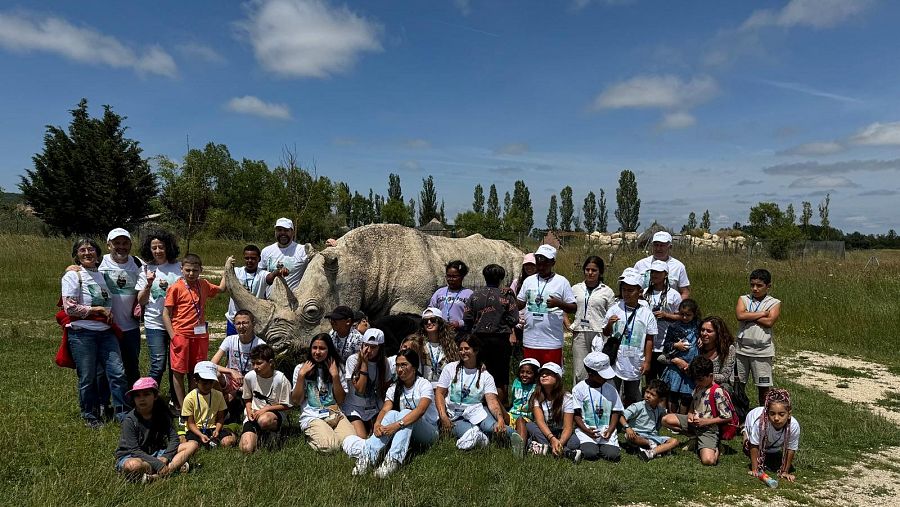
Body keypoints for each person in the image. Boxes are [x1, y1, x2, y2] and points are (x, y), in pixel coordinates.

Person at [61, 237, 129, 427]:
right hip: (83, 334)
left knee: (117, 373)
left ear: (98, 255)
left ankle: (122, 414)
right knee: (87, 377)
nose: (87, 253)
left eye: (91, 250)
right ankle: (90, 416)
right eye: (82, 250)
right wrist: (96, 310)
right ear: (76, 255)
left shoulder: (102, 276)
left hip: (106, 333)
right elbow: (70, 307)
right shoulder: (73, 276)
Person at [348, 350, 440, 478]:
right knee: (391, 413)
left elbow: (420, 411)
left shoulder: (424, 384)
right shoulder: (394, 387)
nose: (400, 369)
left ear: (414, 367)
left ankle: (393, 460)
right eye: (397, 365)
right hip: (408, 430)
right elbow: (385, 410)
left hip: (429, 433)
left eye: (404, 365)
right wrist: (378, 424)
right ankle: (367, 457)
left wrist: (396, 426)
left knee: (407, 413)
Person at [162, 253, 224, 409]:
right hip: (181, 335)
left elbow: (222, 288)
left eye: (195, 270)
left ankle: (193, 403)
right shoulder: (176, 287)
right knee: (178, 372)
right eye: (188, 270)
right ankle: (183, 407)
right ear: (182, 269)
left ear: (200, 270)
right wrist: (173, 336)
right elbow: (165, 314)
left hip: (200, 336)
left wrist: (227, 269)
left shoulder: (203, 284)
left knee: (195, 371)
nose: (191, 274)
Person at [435, 335, 517, 452]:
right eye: (460, 349)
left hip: (477, 412)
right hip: (455, 416)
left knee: (493, 427)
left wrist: (500, 419)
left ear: (476, 350)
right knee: (471, 433)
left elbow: (492, 401)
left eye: (467, 348)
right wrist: (443, 416)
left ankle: (520, 439)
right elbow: (439, 393)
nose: (463, 352)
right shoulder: (450, 368)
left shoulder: (485, 375)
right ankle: (484, 440)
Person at [115, 377, 197, 483]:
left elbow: (174, 439)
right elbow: (134, 450)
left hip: (156, 453)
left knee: (192, 444)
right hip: (133, 456)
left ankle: (159, 475)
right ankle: (173, 467)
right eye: (137, 396)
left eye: (146, 394)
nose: (142, 399)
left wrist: (165, 457)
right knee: (132, 466)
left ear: (155, 396)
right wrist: (158, 463)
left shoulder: (162, 414)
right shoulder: (129, 420)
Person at [599, 268, 657, 407]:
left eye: (630, 290)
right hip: (617, 359)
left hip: (636, 359)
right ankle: (614, 416)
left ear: (639, 292)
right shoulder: (615, 308)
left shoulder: (646, 313)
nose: (626, 293)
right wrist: (609, 324)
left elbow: (649, 339)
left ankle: (631, 417)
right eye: (624, 289)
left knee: (633, 393)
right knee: (612, 389)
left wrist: (647, 362)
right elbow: (606, 333)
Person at [662, 356, 734, 466]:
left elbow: (727, 417)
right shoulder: (699, 386)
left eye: (700, 379)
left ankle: (716, 447)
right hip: (694, 423)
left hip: (709, 429)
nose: (697, 381)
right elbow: (693, 402)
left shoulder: (717, 392)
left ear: (710, 376)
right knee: (665, 419)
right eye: (695, 379)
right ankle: (694, 438)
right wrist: (690, 413)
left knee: (708, 461)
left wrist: (705, 422)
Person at [464, 264, 519, 403]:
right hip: (500, 340)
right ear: (501, 278)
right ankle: (500, 409)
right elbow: (514, 318)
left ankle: (478, 404)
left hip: (478, 340)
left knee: (479, 373)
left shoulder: (474, 295)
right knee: (500, 378)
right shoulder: (506, 295)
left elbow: (467, 318)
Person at [291, 333, 355, 453]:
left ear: (329, 350)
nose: (317, 352)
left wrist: (335, 376)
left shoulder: (338, 367)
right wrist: (301, 376)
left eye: (322, 348)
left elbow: (341, 400)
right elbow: (296, 401)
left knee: (351, 442)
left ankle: (327, 434)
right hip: (312, 416)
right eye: (314, 348)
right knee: (331, 446)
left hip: (334, 413)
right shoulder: (301, 368)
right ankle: (313, 435)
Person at [516, 245, 577, 365]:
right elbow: (520, 304)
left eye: (545, 264)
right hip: (530, 340)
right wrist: (509, 297)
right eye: (538, 264)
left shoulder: (562, 282)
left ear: (553, 263)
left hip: (551, 342)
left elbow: (573, 308)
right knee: (531, 378)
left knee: (551, 378)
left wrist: (558, 303)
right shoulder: (529, 281)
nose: (541, 267)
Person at [135, 229, 181, 388]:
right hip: (154, 322)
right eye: (154, 248)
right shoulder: (145, 269)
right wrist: (148, 284)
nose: (158, 251)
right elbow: (141, 301)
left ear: (168, 247)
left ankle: (175, 401)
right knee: (158, 363)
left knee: (176, 365)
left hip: (177, 322)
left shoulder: (179, 267)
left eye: (161, 247)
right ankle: (150, 396)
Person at [98, 228, 144, 386]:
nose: (121, 247)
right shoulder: (99, 262)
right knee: (104, 366)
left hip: (131, 327)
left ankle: (134, 399)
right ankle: (104, 402)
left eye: (125, 243)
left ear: (130, 244)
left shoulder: (137, 263)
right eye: (117, 243)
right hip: (105, 326)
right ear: (108, 245)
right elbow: (80, 271)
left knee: (131, 365)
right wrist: (72, 268)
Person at [735, 268, 782, 407]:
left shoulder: (774, 302)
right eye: (752, 285)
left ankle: (764, 414)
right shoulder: (744, 299)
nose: (755, 288)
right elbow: (739, 315)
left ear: (768, 286)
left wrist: (749, 315)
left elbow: (769, 322)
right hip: (742, 349)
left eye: (759, 285)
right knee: (738, 384)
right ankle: (739, 413)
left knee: (763, 386)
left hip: (762, 351)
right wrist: (762, 313)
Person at [210, 310, 266, 423]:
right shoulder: (230, 340)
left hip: (251, 382)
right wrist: (230, 371)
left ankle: (233, 408)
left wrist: (245, 382)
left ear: (252, 324)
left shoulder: (260, 344)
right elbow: (211, 364)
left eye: (245, 323)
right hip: (232, 380)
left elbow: (265, 370)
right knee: (214, 374)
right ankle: (221, 408)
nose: (241, 326)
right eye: (238, 323)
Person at [568, 256, 615, 384]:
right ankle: (579, 397)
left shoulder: (607, 291)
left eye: (594, 270)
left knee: (598, 368)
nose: (590, 273)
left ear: (600, 272)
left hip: (599, 333)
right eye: (587, 269)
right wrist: (569, 325)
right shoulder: (575, 288)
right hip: (580, 332)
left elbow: (612, 313)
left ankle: (599, 396)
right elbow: (565, 307)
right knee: (580, 370)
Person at [571, 352, 624, 462]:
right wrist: (586, 430)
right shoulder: (579, 389)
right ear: (591, 373)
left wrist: (611, 429)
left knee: (612, 456)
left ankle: (605, 446)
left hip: (605, 431)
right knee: (590, 453)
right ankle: (589, 446)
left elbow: (616, 411)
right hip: (586, 431)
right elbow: (576, 414)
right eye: (602, 375)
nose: (606, 378)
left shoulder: (611, 389)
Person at [240, 344, 291, 454]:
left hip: (273, 414)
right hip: (254, 414)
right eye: (253, 363)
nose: (255, 367)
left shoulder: (280, 379)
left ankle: (274, 432)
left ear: (271, 363)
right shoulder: (249, 377)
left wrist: (265, 409)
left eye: (259, 363)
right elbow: (247, 398)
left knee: (264, 420)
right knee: (246, 449)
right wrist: (249, 411)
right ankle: (257, 434)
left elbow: (287, 405)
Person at [526, 362, 582, 463]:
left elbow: (568, 427)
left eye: (548, 373)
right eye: (542, 374)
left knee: (574, 442)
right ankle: (567, 453)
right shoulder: (537, 396)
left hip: (561, 432)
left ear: (557, 378)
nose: (543, 375)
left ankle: (541, 447)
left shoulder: (567, 398)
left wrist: (559, 442)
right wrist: (552, 439)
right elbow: (540, 421)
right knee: (530, 425)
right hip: (545, 432)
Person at [743, 388, 800, 485]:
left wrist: (785, 472)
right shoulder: (760, 424)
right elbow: (754, 445)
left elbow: (790, 449)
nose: (776, 418)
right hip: (752, 419)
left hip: (773, 443)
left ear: (789, 414)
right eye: (772, 414)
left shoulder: (794, 426)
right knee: (747, 444)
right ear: (766, 413)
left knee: (772, 451)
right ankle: (744, 431)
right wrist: (755, 469)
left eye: (781, 414)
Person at [343, 328, 391, 437]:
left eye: (373, 347)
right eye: (366, 345)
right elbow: (360, 389)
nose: (368, 350)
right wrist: (364, 364)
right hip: (354, 407)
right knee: (362, 438)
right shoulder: (353, 360)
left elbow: (386, 388)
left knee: (380, 435)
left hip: (373, 407)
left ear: (380, 348)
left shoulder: (384, 362)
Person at [642, 259, 683, 383]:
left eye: (658, 272)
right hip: (647, 343)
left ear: (665, 274)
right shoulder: (644, 293)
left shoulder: (674, 295)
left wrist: (666, 315)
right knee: (649, 378)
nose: (654, 275)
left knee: (665, 379)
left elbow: (681, 317)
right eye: (653, 272)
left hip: (665, 342)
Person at [658, 299, 701, 414]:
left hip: (691, 364)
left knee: (687, 395)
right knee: (673, 392)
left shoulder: (698, 326)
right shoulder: (673, 327)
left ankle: (682, 417)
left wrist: (700, 338)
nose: (685, 317)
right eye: (682, 314)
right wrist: (676, 345)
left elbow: (704, 334)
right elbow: (666, 345)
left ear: (694, 314)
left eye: (688, 315)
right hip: (676, 365)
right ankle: (672, 416)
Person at [621, 379, 680, 461]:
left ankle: (651, 453)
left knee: (675, 441)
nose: (648, 395)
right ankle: (657, 448)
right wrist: (627, 428)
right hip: (638, 435)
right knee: (629, 436)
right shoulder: (638, 406)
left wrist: (680, 428)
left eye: (652, 394)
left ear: (660, 400)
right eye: (647, 392)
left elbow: (668, 421)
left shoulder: (661, 410)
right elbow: (621, 416)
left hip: (654, 437)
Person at [182, 361, 235, 448]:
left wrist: (217, 430)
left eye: (211, 383)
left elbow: (221, 417)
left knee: (228, 441)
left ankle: (231, 432)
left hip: (213, 428)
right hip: (195, 429)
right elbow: (190, 423)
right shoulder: (189, 398)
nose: (208, 386)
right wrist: (200, 435)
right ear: (196, 381)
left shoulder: (218, 395)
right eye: (204, 383)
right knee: (192, 445)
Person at [225, 245, 270, 336]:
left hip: (254, 320)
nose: (250, 261)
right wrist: (227, 266)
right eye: (247, 258)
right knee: (233, 346)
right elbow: (222, 287)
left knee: (253, 348)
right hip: (234, 319)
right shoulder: (236, 271)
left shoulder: (263, 274)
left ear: (259, 259)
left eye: (253, 258)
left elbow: (270, 278)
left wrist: (277, 272)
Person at [634, 231, 691, 299]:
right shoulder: (640, 264)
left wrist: (677, 308)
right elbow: (632, 288)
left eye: (662, 245)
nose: (658, 248)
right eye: (656, 245)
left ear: (670, 247)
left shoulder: (678, 266)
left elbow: (684, 292)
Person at [261, 217, 309, 291]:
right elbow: (261, 275)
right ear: (275, 232)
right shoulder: (266, 251)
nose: (283, 233)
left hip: (294, 300)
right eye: (279, 230)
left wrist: (332, 246)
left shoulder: (302, 250)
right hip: (269, 300)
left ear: (292, 232)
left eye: (286, 230)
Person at [415, 307, 460, 386]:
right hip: (425, 389)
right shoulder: (419, 344)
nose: (429, 322)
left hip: (445, 388)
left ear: (439, 322)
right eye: (425, 321)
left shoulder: (451, 345)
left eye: (433, 320)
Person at [429, 260, 474, 336]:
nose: (451, 279)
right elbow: (431, 311)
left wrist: (459, 323)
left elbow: (473, 315)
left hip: (460, 334)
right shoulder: (439, 292)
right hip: (441, 333)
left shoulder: (469, 294)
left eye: (454, 277)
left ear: (462, 277)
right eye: (448, 276)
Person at [698, 316, 738, 392]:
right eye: (702, 330)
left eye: (709, 331)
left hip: (719, 389)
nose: (704, 333)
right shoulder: (697, 346)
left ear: (718, 333)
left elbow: (725, 376)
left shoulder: (728, 349)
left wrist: (703, 376)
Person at [510, 253, 537, 361]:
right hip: (519, 324)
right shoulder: (517, 283)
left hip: (534, 323)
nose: (529, 268)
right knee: (519, 356)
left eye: (532, 265)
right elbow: (511, 305)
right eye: (526, 265)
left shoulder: (541, 283)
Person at [508, 358, 539, 440]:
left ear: (535, 374)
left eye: (529, 373)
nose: (524, 375)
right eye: (522, 372)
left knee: (520, 420)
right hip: (512, 413)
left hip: (526, 417)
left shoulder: (536, 387)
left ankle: (520, 447)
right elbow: (513, 400)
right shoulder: (516, 382)